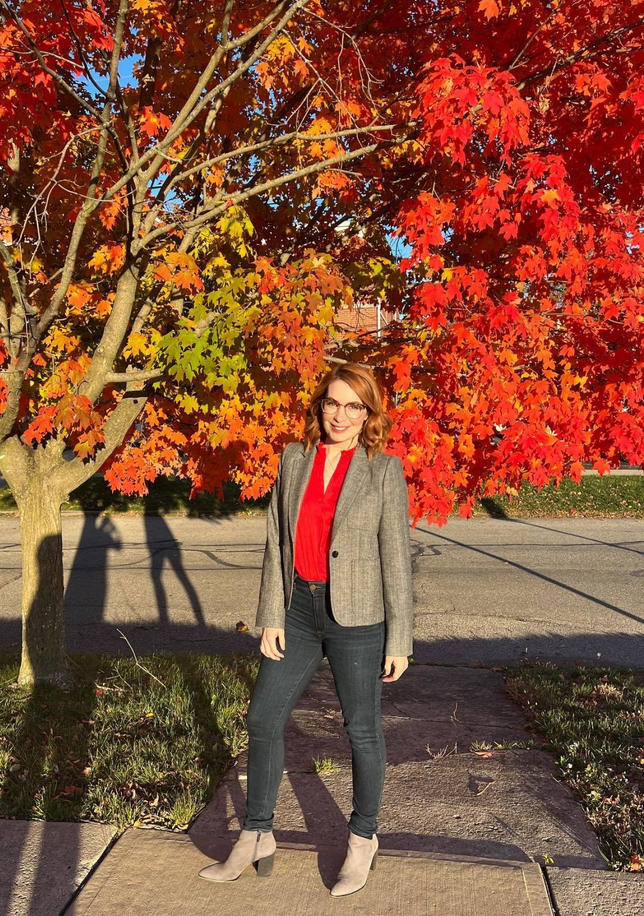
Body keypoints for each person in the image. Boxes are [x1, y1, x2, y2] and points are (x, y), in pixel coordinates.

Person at [199, 362, 414, 896]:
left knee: (361, 730)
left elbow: (397, 558)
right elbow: (277, 540)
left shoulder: (382, 470)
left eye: (353, 406)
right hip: (298, 609)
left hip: (358, 619)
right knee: (262, 718)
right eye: (332, 403)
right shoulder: (294, 459)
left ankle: (363, 839)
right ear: (319, 406)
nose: (340, 415)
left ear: (368, 414)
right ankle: (256, 834)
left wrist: (400, 638)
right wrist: (271, 613)